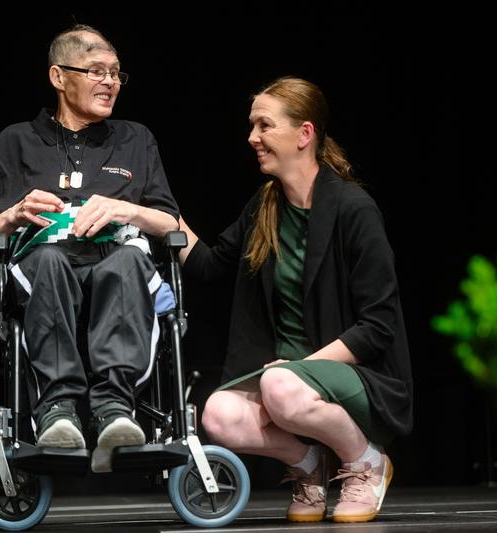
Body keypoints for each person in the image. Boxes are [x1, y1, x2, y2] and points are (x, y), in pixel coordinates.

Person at [178, 76, 412, 523]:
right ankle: (309, 466)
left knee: (279, 386)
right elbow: (209, 265)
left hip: (360, 378)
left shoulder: (354, 209)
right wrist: (152, 213)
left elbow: (377, 326)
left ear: (304, 134)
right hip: (287, 380)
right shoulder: (265, 205)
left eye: (264, 125)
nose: (252, 137)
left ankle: (366, 461)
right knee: (219, 415)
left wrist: (301, 368)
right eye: (252, 126)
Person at [0, 24, 179, 474]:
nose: (110, 82)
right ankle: (57, 411)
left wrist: (125, 209)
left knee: (128, 260)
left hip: (116, 266)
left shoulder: (135, 139)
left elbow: (170, 224)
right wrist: (13, 214)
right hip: (45, 268)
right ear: (59, 76)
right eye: (96, 71)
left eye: (116, 73)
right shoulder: (17, 141)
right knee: (49, 260)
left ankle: (115, 410)